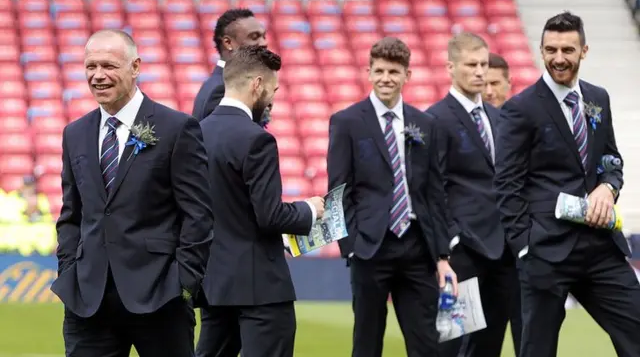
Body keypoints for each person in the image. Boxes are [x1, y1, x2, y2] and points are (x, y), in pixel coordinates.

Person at [50, 29, 213, 357]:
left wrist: (183, 282)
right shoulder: (75, 133)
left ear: (135, 67)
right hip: (88, 300)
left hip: (159, 296)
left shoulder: (176, 128)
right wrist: (69, 270)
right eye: (90, 66)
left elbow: (198, 213)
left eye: (109, 66)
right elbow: (72, 214)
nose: (98, 76)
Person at [494, 11, 640, 357]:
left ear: (583, 51)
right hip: (545, 251)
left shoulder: (597, 98)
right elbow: (507, 184)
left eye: (568, 50)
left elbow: (611, 160)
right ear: (542, 50)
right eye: (551, 49)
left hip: (600, 247)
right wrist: (525, 247)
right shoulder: (520, 109)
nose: (559, 58)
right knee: (537, 350)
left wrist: (609, 187)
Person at [327, 37, 456, 357]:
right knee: (367, 341)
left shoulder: (425, 124)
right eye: (380, 71)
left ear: (407, 76)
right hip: (370, 248)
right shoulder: (347, 122)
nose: (386, 78)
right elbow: (338, 191)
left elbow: (434, 192)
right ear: (369, 73)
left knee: (427, 341)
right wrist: (351, 247)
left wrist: (442, 255)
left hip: (416, 245)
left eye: (394, 72)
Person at [197, 45, 325, 357]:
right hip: (260, 289)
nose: (273, 98)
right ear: (257, 84)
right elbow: (270, 216)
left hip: (214, 283)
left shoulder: (195, 132)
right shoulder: (257, 138)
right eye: (273, 89)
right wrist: (310, 209)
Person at [426, 32, 514, 357]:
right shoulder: (434, 120)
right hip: (462, 255)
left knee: (488, 347)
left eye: (483, 64)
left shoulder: (499, 117)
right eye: (471, 65)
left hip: (503, 251)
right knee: (452, 344)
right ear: (451, 67)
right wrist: (447, 246)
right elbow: (430, 190)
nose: (480, 71)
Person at [481, 51, 523, 356]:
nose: (490, 91)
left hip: (522, 253)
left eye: (496, 83)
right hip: (477, 253)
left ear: (509, 84)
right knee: (478, 342)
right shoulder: (459, 128)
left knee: (531, 338)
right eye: (484, 84)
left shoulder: (527, 127)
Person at [192, 8, 267, 122]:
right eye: (254, 37)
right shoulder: (222, 89)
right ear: (228, 43)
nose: (264, 43)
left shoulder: (217, 83)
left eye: (264, 36)